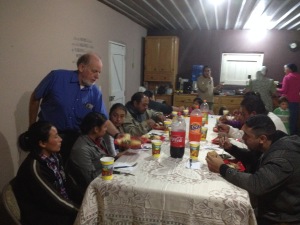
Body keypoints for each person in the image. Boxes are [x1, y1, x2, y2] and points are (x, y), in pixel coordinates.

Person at [206, 115, 300, 225]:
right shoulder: (273, 140)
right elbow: (253, 159)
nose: (243, 138)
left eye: (246, 135)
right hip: (270, 207)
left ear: (262, 139)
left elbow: (256, 184)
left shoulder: (283, 158)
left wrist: (222, 168)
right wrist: (231, 148)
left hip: (281, 218)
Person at [29, 52, 120, 164]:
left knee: (67, 172)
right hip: (48, 139)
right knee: (45, 170)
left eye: (99, 72)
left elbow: (103, 119)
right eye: (94, 71)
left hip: (74, 140)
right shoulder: (56, 77)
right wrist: (32, 128)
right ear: (81, 67)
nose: (97, 76)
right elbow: (35, 97)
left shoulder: (95, 92)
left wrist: (118, 135)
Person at [13, 121, 78, 225]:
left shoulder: (56, 156)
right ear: (42, 143)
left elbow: (68, 183)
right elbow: (53, 200)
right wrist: (79, 210)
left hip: (59, 208)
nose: (61, 139)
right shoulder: (34, 168)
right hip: (43, 216)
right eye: (56, 137)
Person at [66, 112, 118, 203]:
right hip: (93, 190)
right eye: (105, 127)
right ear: (96, 129)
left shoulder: (99, 140)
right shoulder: (81, 149)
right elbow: (90, 178)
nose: (106, 130)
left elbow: (107, 158)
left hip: (106, 177)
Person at [218, 92, 287, 140]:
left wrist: (230, 141)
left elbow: (249, 145)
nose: (240, 117)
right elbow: (245, 136)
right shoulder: (261, 118)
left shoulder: (269, 123)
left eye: (243, 114)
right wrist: (229, 129)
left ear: (253, 114)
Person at [277, 63, 300, 135]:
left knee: (286, 119)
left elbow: (284, 90)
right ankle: (294, 135)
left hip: (287, 101)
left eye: (285, 69)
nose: (284, 71)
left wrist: (276, 89)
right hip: (297, 101)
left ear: (289, 69)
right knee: (294, 119)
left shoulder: (287, 77)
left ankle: (286, 135)